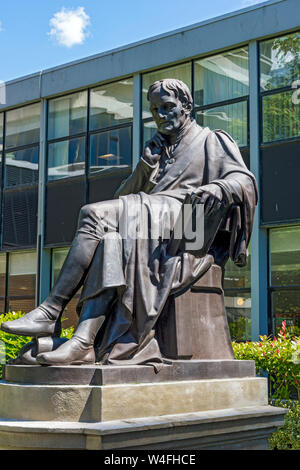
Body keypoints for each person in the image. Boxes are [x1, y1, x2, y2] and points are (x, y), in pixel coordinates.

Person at [1, 79, 257, 366]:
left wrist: (219, 188)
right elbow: (121, 198)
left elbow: (244, 180)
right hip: (149, 222)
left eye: (168, 107)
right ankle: (83, 340)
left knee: (93, 214)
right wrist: (144, 167)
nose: (161, 115)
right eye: (155, 109)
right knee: (109, 239)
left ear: (187, 107)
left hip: (186, 224)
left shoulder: (213, 140)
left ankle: (51, 310)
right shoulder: (157, 151)